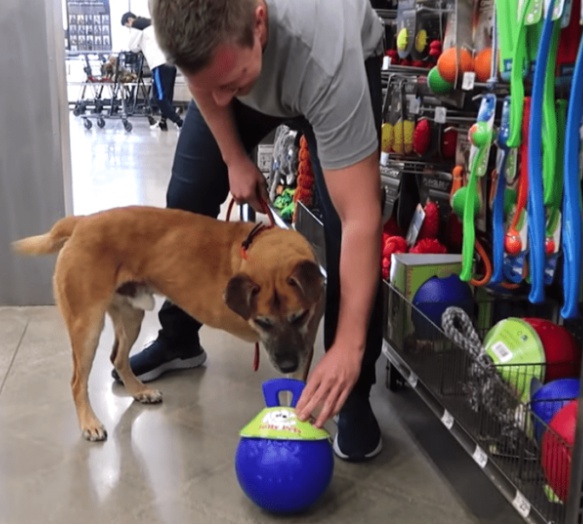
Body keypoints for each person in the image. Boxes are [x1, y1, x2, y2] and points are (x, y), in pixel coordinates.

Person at [123, 0, 386, 462]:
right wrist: (232, 157)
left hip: (334, 65)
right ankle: (179, 338)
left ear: (259, 22)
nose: (221, 99)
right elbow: (210, 79)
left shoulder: (324, 57)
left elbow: (361, 218)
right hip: (241, 60)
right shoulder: (197, 39)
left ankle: (353, 388)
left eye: (229, 84)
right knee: (187, 195)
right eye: (207, 85)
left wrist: (348, 346)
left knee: (343, 229)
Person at [121, 11, 184, 131]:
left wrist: (138, 44)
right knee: (167, 96)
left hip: (159, 64)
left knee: (159, 98)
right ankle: (163, 122)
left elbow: (132, 47)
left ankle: (180, 123)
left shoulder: (137, 25)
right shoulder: (151, 23)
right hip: (170, 62)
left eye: (127, 26)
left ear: (129, 21)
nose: (129, 28)